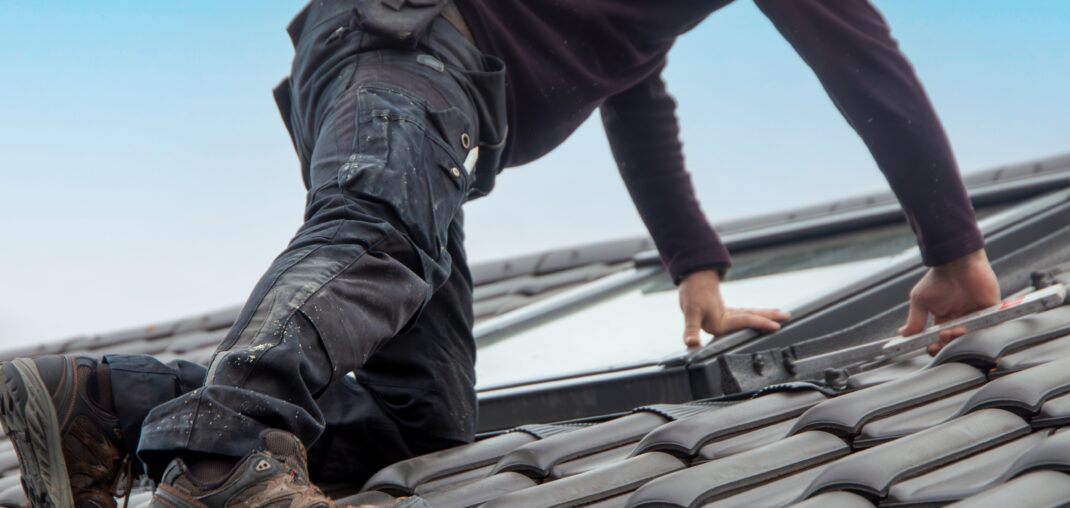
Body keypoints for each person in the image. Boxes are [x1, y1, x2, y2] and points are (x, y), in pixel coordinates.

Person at [0, 0, 1000, 506]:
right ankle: (223, 455)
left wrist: (693, 265)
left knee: (417, 417)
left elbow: (633, 90)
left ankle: (101, 403)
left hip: (404, 79)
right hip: (409, 47)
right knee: (378, 233)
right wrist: (953, 250)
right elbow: (860, 55)